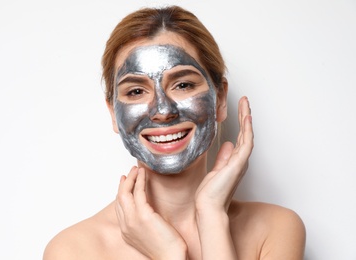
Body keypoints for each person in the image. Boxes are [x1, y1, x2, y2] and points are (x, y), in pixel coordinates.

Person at [43, 5, 306, 259]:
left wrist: (211, 216)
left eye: (182, 84)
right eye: (136, 91)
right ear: (113, 112)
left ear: (220, 99)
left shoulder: (275, 230)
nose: (163, 110)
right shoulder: (74, 251)